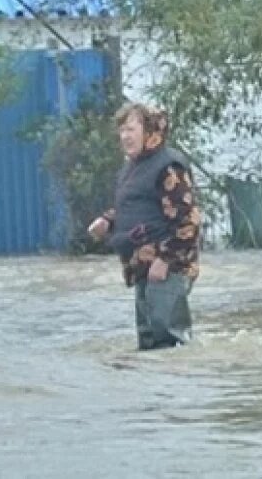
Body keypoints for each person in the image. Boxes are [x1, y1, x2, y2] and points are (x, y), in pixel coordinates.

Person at [87, 103, 201, 349]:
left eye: (131, 129)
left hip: (167, 268)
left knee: (170, 344)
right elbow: (138, 206)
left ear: (149, 130)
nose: (125, 136)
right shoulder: (134, 167)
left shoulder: (168, 166)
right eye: (122, 130)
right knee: (148, 345)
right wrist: (108, 221)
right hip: (142, 267)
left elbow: (189, 220)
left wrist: (165, 260)